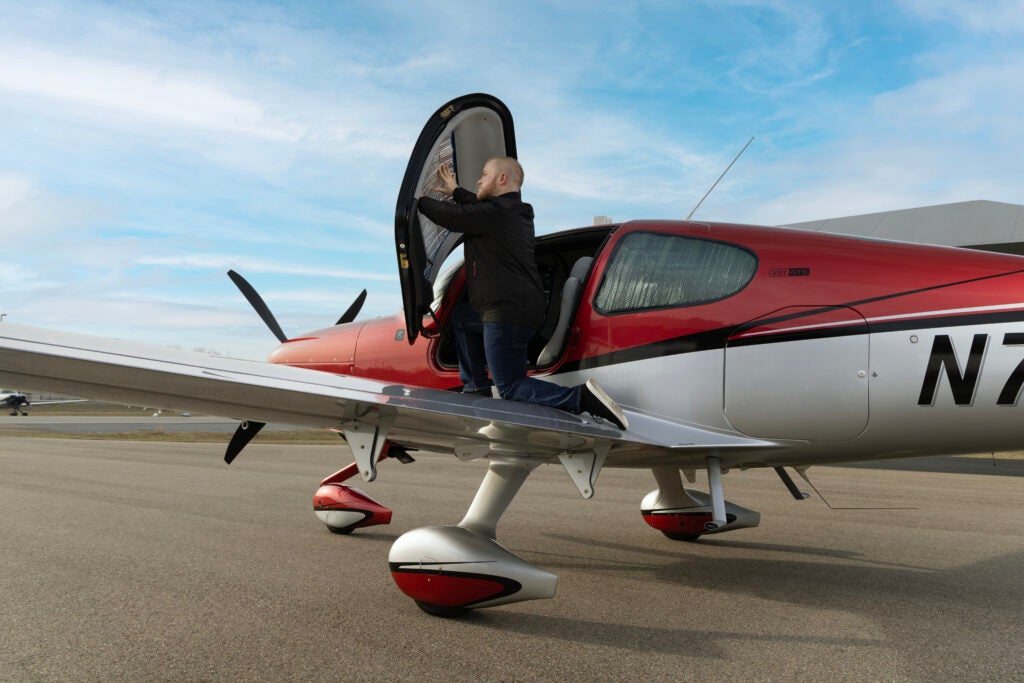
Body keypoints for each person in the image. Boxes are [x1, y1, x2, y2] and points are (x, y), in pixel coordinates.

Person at [416, 157, 628, 430]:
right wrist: (456, 192)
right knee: (460, 318)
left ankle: (580, 398)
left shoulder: (498, 213)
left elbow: (453, 216)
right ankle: (476, 387)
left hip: (506, 311)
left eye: (484, 174)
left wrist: (418, 201)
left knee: (511, 387)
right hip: (510, 308)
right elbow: (477, 209)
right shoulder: (506, 211)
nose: (479, 180)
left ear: (502, 179)